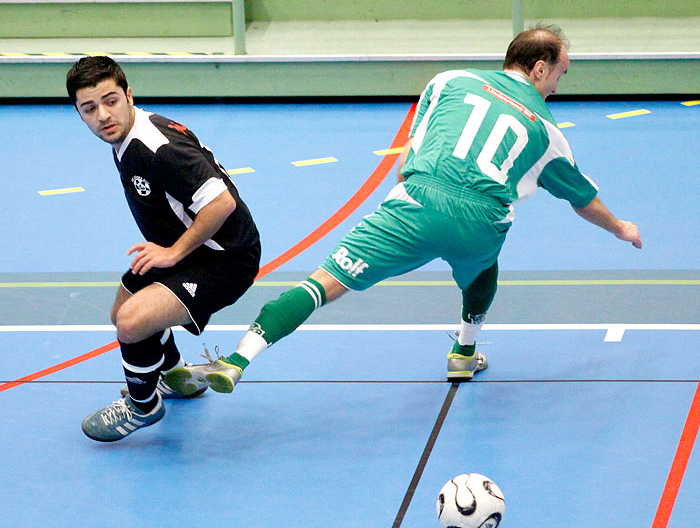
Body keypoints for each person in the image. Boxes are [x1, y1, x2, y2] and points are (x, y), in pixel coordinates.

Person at [165, 25, 642, 395]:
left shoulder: (450, 80)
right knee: (482, 269)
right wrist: (620, 227)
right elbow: (584, 200)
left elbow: (418, 142)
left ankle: (239, 358)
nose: (559, 85)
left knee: (322, 284)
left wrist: (408, 200)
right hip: (481, 220)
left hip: (416, 202)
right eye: (560, 73)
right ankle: (464, 351)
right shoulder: (546, 128)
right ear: (539, 69)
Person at [67, 56, 261, 441]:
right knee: (122, 311)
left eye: (110, 101)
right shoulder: (127, 136)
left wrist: (172, 253)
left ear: (128, 95)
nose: (103, 115)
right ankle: (174, 376)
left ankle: (143, 408)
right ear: (79, 112)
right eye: (90, 108)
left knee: (132, 322)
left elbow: (220, 203)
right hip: (189, 247)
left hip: (224, 257)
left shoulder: (156, 146)